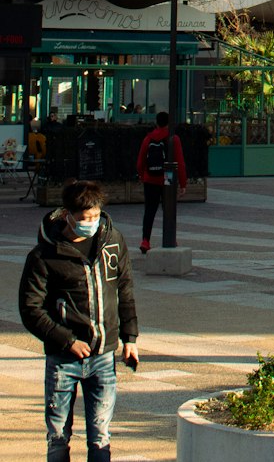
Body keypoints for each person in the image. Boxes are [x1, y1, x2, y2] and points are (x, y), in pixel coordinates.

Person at [18, 179, 139, 462]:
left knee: (101, 437)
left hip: (103, 356)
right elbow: (30, 309)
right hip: (63, 359)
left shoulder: (113, 241)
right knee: (58, 437)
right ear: (68, 216)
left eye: (96, 216)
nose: (91, 222)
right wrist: (66, 340)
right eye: (84, 218)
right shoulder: (44, 255)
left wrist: (130, 338)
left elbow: (125, 289)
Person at [136, 111, 187, 253]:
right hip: (167, 177)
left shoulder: (148, 138)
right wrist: (183, 183)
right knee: (168, 210)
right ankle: (170, 238)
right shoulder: (173, 138)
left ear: (156, 122)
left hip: (150, 178)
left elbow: (140, 162)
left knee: (149, 211)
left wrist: (142, 176)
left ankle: (145, 240)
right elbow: (180, 162)